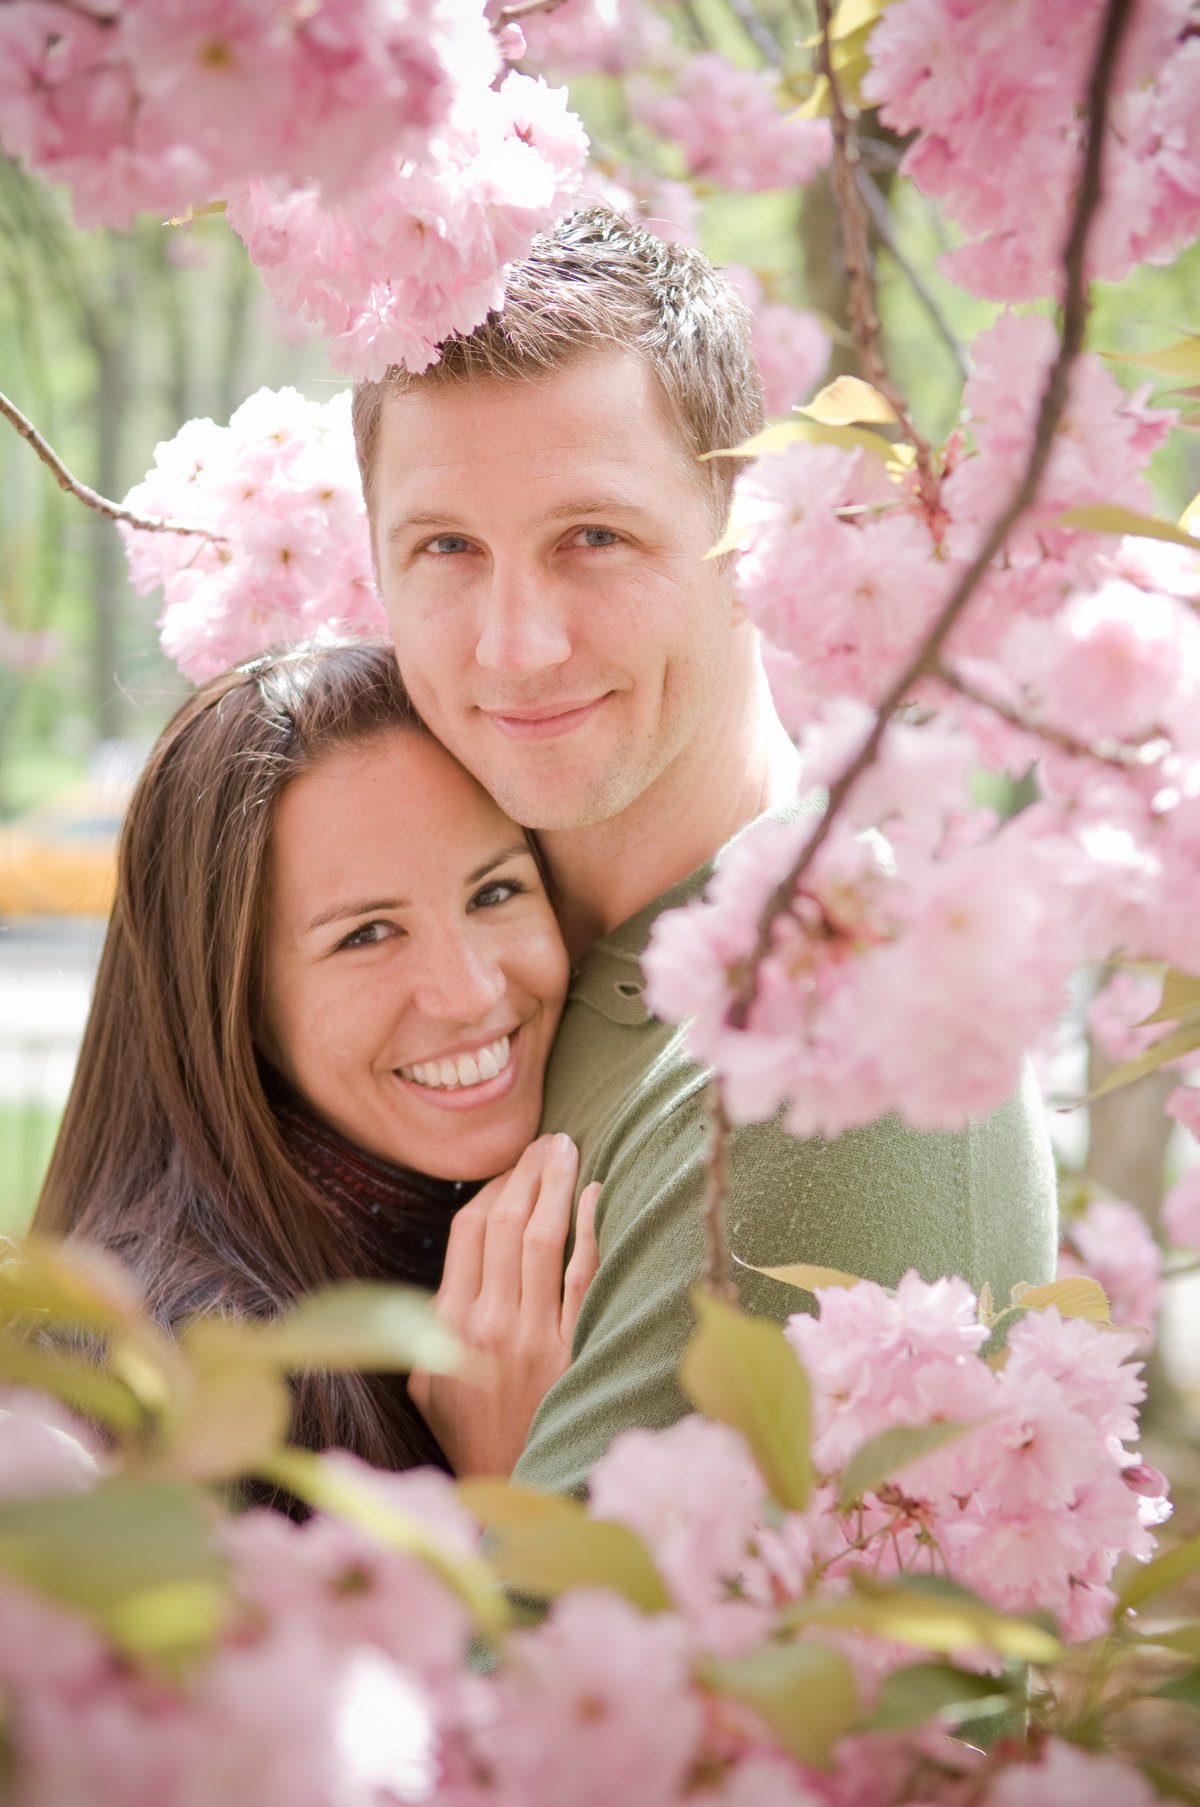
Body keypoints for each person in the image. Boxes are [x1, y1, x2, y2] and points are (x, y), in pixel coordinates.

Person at [351, 207, 1059, 1496]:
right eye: (447, 547)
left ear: (752, 533)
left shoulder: (833, 1032)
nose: (517, 644)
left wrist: (505, 1497)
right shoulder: (473, 978)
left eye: (595, 537)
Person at [32, 640, 598, 1479]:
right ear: (229, 1003)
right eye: (365, 934)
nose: (471, 991)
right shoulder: (211, 1378)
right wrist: (509, 1494)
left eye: (494, 890)